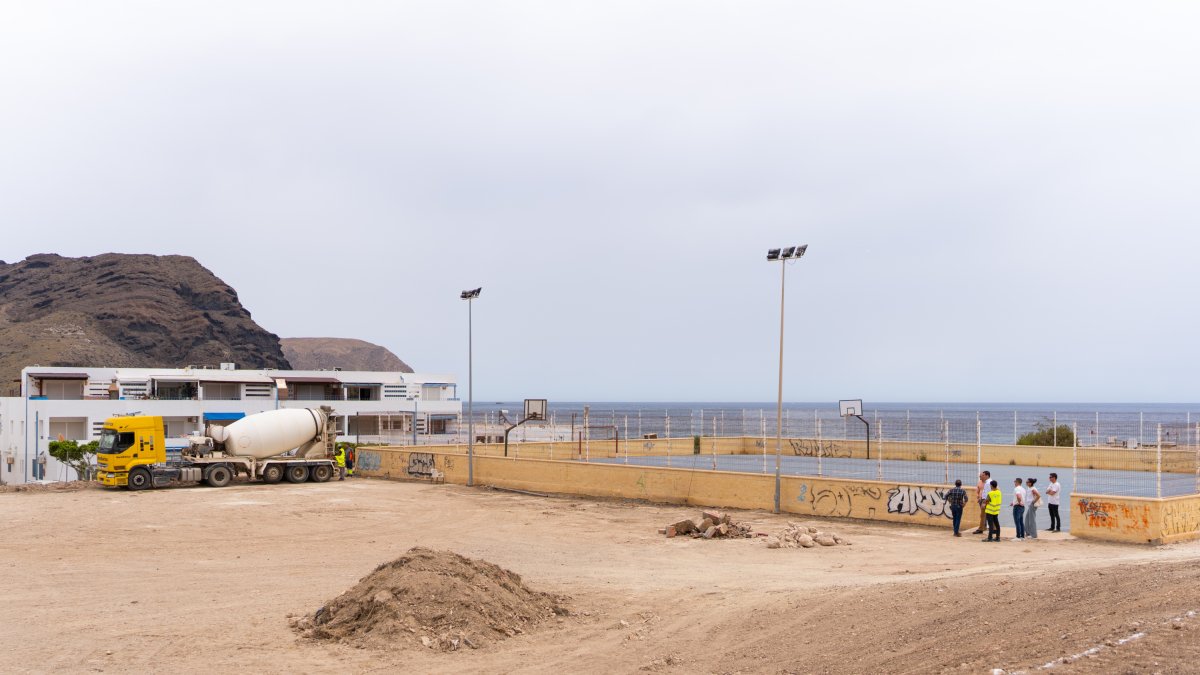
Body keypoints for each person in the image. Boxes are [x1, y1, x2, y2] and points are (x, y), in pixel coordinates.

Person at [972, 470, 992, 535]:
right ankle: (985, 528)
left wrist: (984, 502)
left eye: (983, 475)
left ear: (987, 475)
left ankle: (981, 529)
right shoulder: (985, 482)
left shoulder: (988, 483)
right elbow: (979, 490)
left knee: (985, 515)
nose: (981, 476)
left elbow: (988, 493)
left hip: (986, 501)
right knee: (985, 515)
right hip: (983, 500)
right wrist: (979, 497)